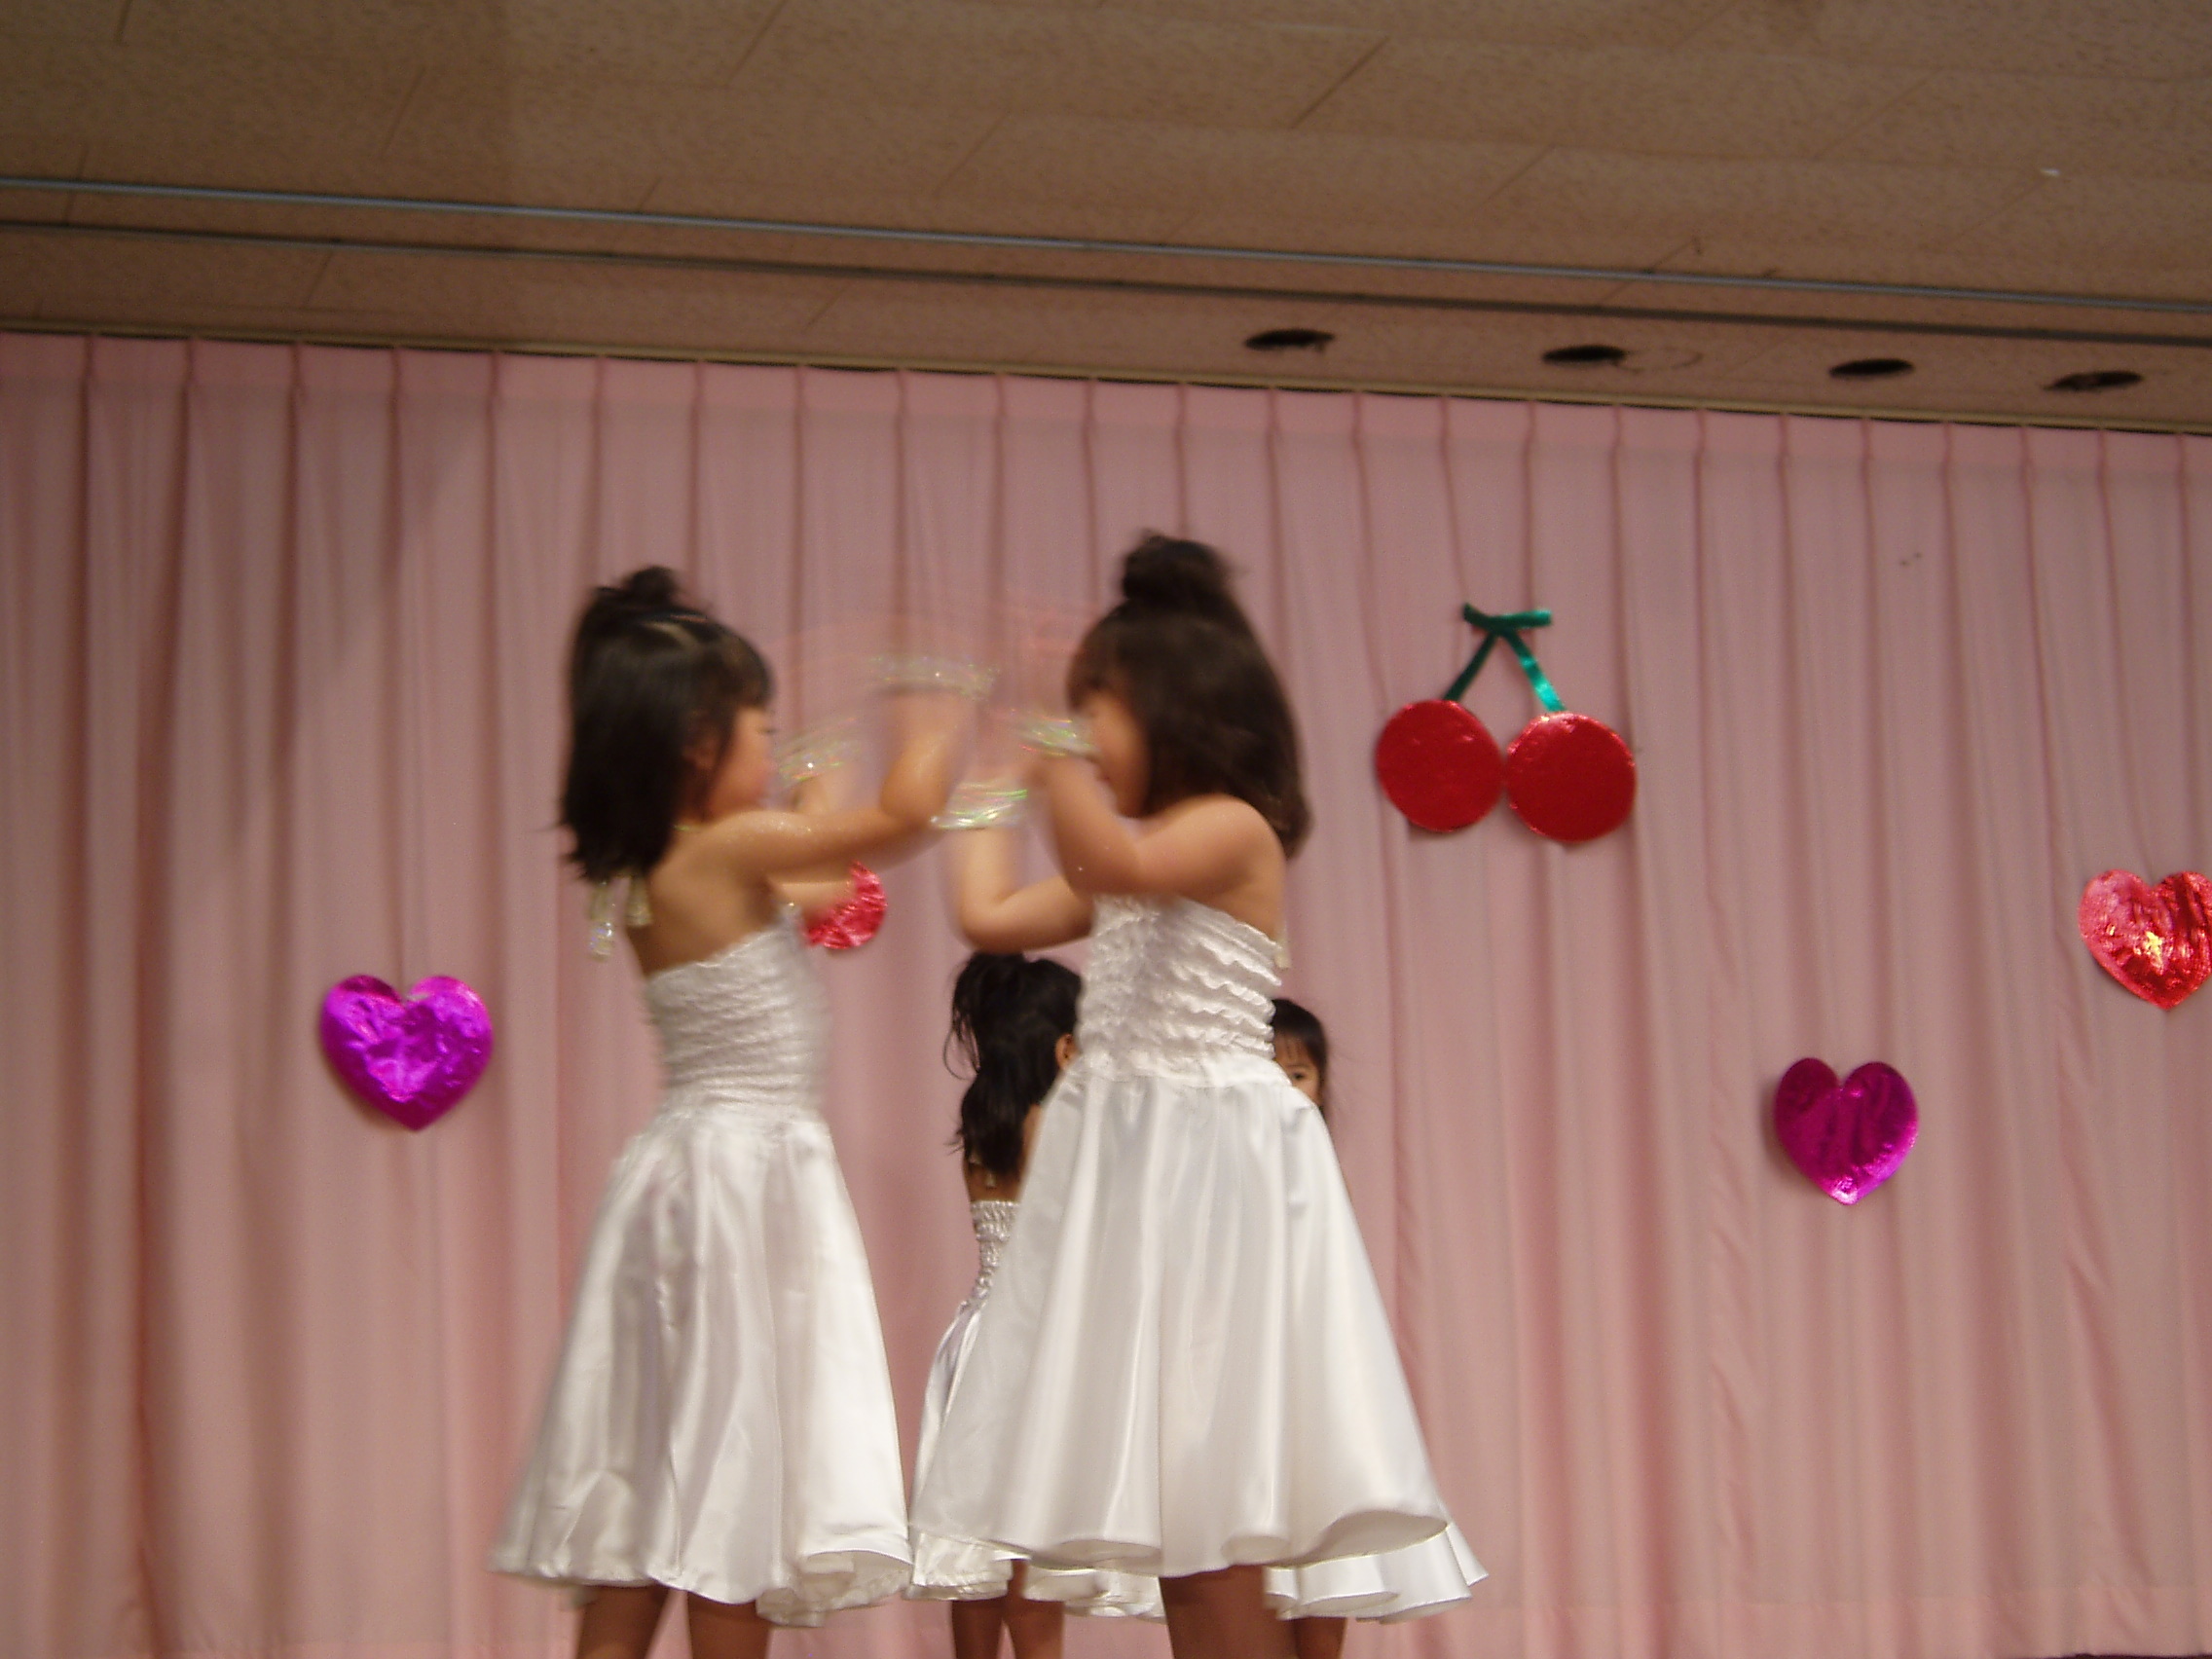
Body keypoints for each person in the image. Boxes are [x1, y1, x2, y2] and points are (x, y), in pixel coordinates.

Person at [913, 534, 1470, 1659]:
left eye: (1098, 714)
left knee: (1213, 1513)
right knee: (1181, 1531)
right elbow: (988, 914)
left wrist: (1041, 747)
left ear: (1173, 713)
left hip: (1211, 1180)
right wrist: (986, 775)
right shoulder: (1139, 855)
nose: (1086, 740)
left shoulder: (1229, 830)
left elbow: (1115, 867)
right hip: (1138, 1176)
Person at [490, 567, 959, 1659]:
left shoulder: (657, 860)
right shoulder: (733, 849)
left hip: (682, 1172)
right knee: (733, 1474)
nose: (774, 747)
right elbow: (900, 819)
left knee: (649, 1482)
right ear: (698, 744)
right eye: (764, 728)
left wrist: (812, 775)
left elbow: (823, 887)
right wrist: (932, 706)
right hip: (745, 1178)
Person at [909, 951, 1156, 1654]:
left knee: (976, 1547)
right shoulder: (1054, 1125)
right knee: (1029, 1545)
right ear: (1066, 1047)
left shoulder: (983, 1125)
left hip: (974, 1338)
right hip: (1030, 1346)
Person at [1262, 999, 1486, 1657]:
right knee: (1262, 1551)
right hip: (1258, 1382)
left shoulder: (1320, 1166)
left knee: (1329, 1550)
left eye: (1298, 1075)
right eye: (1268, 1073)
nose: (1285, 1089)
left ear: (1321, 1084)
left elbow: (1339, 1282)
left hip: (1317, 1377)